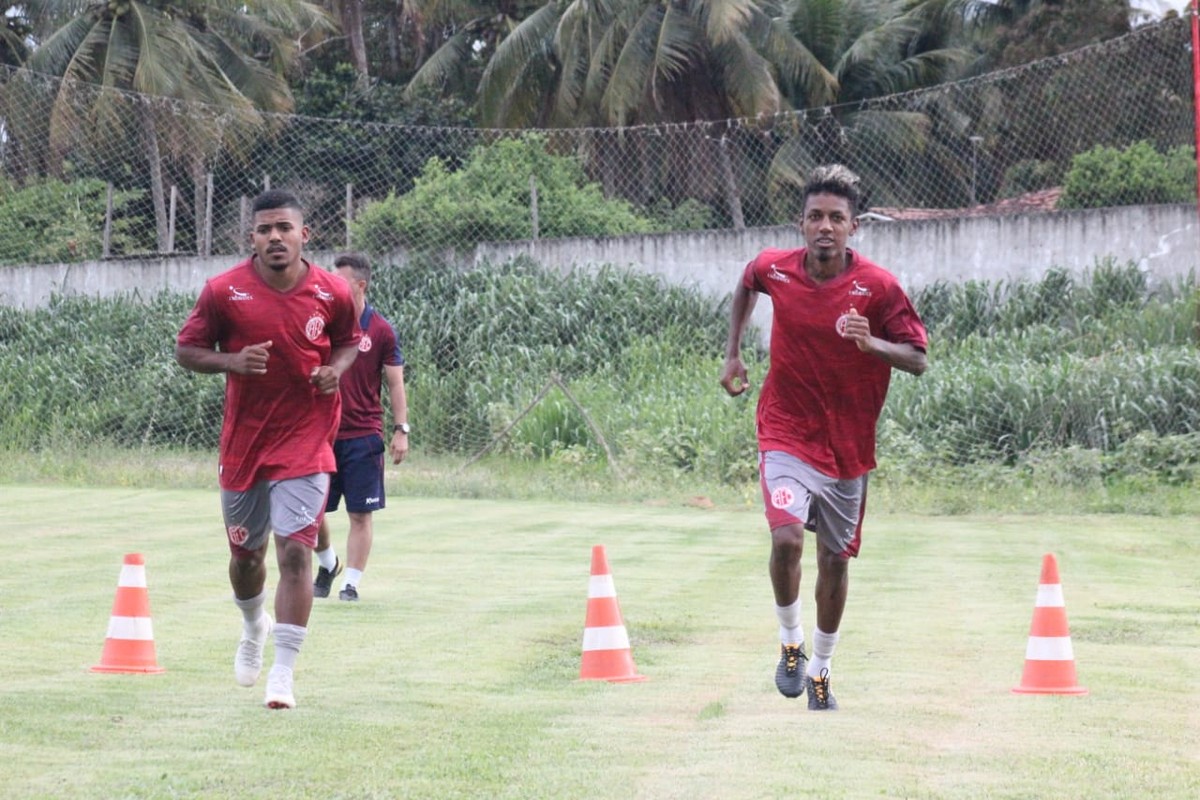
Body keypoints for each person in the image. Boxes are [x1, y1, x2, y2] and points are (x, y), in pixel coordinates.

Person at [719, 164, 928, 711]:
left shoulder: (878, 288)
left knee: (834, 563)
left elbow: (918, 359)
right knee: (786, 538)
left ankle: (820, 671)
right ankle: (790, 644)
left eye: (837, 218)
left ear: (853, 226)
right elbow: (747, 281)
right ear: (802, 223)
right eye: (816, 217)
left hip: (846, 452)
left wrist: (873, 346)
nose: (825, 227)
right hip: (785, 431)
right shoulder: (777, 269)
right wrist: (733, 351)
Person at [175, 189, 361, 710]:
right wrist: (231, 362)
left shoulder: (333, 292)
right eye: (264, 230)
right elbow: (186, 350)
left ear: (306, 234)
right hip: (245, 444)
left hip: (307, 440)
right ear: (252, 238)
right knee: (246, 558)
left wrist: (336, 370)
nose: (275, 237)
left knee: (297, 551)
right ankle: (254, 623)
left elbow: (349, 340)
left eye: (285, 228)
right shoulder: (223, 291)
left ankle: (283, 673)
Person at [312, 253, 409, 602]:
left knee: (359, 513)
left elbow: (396, 383)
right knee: (310, 511)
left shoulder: (380, 330)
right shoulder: (321, 324)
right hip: (321, 434)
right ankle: (328, 562)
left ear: (360, 284)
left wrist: (401, 429)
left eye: (340, 281)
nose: (332, 287)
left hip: (363, 437)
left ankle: (349, 583)